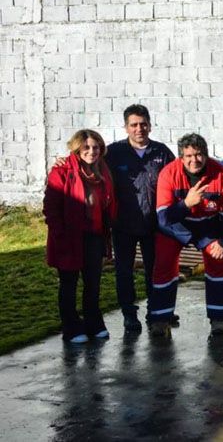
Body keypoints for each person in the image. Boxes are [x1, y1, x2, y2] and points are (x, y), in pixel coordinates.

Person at [150, 133, 223, 338]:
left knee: (217, 263)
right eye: (188, 156)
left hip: (207, 227)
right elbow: (163, 218)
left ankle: (218, 319)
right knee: (164, 266)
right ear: (181, 157)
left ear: (206, 155)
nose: (194, 160)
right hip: (175, 228)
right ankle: (161, 319)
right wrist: (186, 204)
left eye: (198, 155)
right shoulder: (168, 174)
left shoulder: (220, 174)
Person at [105, 104, 175, 333]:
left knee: (154, 270)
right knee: (124, 271)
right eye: (133, 125)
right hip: (123, 224)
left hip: (154, 225)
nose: (139, 129)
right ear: (126, 127)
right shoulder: (113, 153)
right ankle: (129, 314)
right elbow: (87, 162)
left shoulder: (162, 152)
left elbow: (179, 178)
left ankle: (155, 312)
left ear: (150, 125)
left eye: (143, 124)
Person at [43, 130, 117, 344]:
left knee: (93, 283)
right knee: (69, 283)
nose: (91, 151)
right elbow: (51, 208)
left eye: (95, 147)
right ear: (76, 149)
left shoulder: (103, 170)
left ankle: (94, 322)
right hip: (68, 237)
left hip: (94, 235)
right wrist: (60, 236)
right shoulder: (62, 171)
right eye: (86, 147)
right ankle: (72, 327)